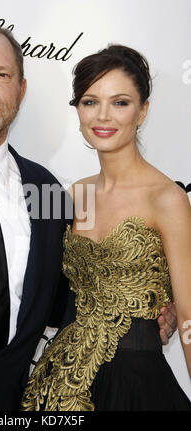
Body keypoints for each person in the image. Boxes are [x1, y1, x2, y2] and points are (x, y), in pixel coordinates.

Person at [0, 25, 176, 411]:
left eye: (3, 75)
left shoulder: (47, 191)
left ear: (21, 92)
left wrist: (145, 310)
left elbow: (66, 301)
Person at [21, 44, 191, 411]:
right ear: (78, 110)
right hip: (56, 387)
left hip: (135, 387)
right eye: (89, 101)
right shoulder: (74, 194)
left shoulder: (167, 199)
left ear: (142, 111)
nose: (103, 116)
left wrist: (173, 315)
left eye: (120, 102)